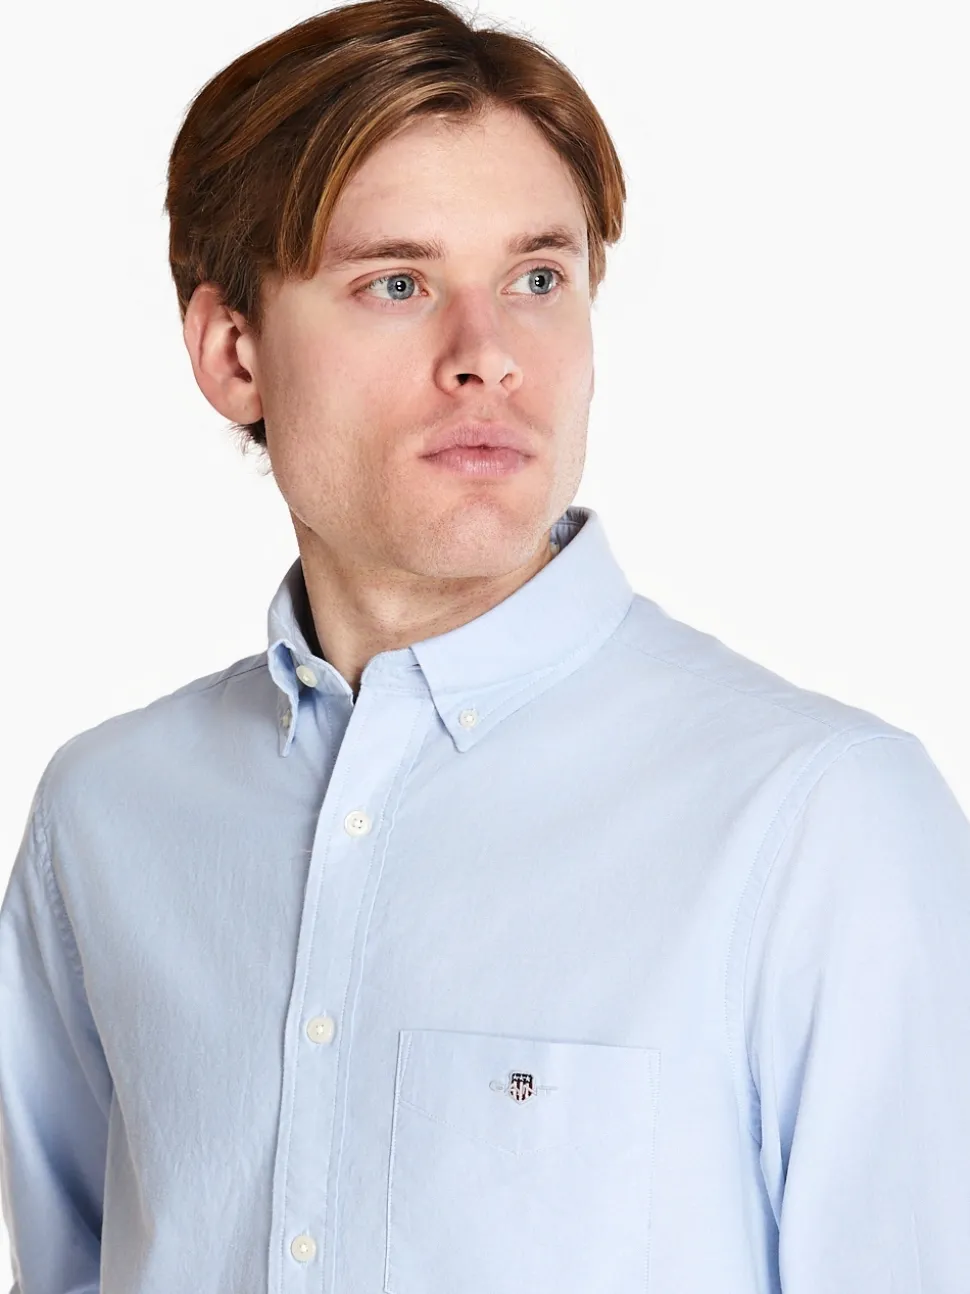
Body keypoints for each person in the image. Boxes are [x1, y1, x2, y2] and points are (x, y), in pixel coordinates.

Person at [2, 0, 968, 1290]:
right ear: (234, 353)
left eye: (537, 280)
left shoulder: (822, 823)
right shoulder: (105, 816)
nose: (488, 357)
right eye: (397, 284)